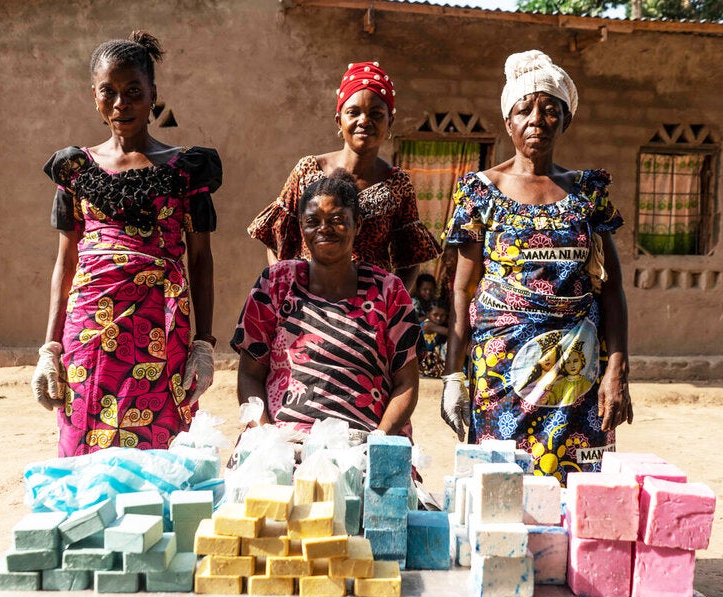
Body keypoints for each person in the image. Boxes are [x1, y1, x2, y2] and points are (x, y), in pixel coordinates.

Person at [439, 50, 633, 484]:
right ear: (508, 121)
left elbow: (612, 286)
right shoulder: (480, 191)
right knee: (501, 494)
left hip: (577, 371)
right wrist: (453, 375)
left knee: (580, 492)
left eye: (550, 110)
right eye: (524, 109)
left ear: (566, 121)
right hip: (501, 372)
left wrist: (617, 369)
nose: (537, 120)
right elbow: (461, 290)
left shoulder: (587, 193)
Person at [31, 31, 222, 456]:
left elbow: (202, 260)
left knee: (161, 447)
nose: (122, 103)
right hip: (89, 333)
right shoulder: (76, 170)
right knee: (82, 440)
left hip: (162, 329)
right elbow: (66, 262)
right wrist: (50, 347)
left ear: (153, 93)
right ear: (94, 97)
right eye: (109, 92)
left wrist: (203, 344)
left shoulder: (187, 169)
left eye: (134, 90)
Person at [232, 170, 420, 439]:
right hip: (282, 439)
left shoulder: (388, 291)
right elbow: (249, 376)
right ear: (301, 227)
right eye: (313, 221)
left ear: (358, 224)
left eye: (337, 220)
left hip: (364, 440)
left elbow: (406, 383)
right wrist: (265, 439)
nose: (324, 228)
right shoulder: (275, 284)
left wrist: (378, 441)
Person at [247, 61, 440, 291]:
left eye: (377, 114)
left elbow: (410, 260)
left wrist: (390, 308)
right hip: (308, 305)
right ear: (339, 120)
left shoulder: (397, 185)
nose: (364, 121)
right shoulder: (308, 170)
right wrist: (289, 294)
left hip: (368, 314)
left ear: (391, 122)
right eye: (353, 112)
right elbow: (275, 239)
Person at [419, 300, 449, 379]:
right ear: (428, 314)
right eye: (435, 315)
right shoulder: (428, 325)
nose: (439, 318)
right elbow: (450, 333)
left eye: (442, 315)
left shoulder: (440, 325)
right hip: (423, 359)